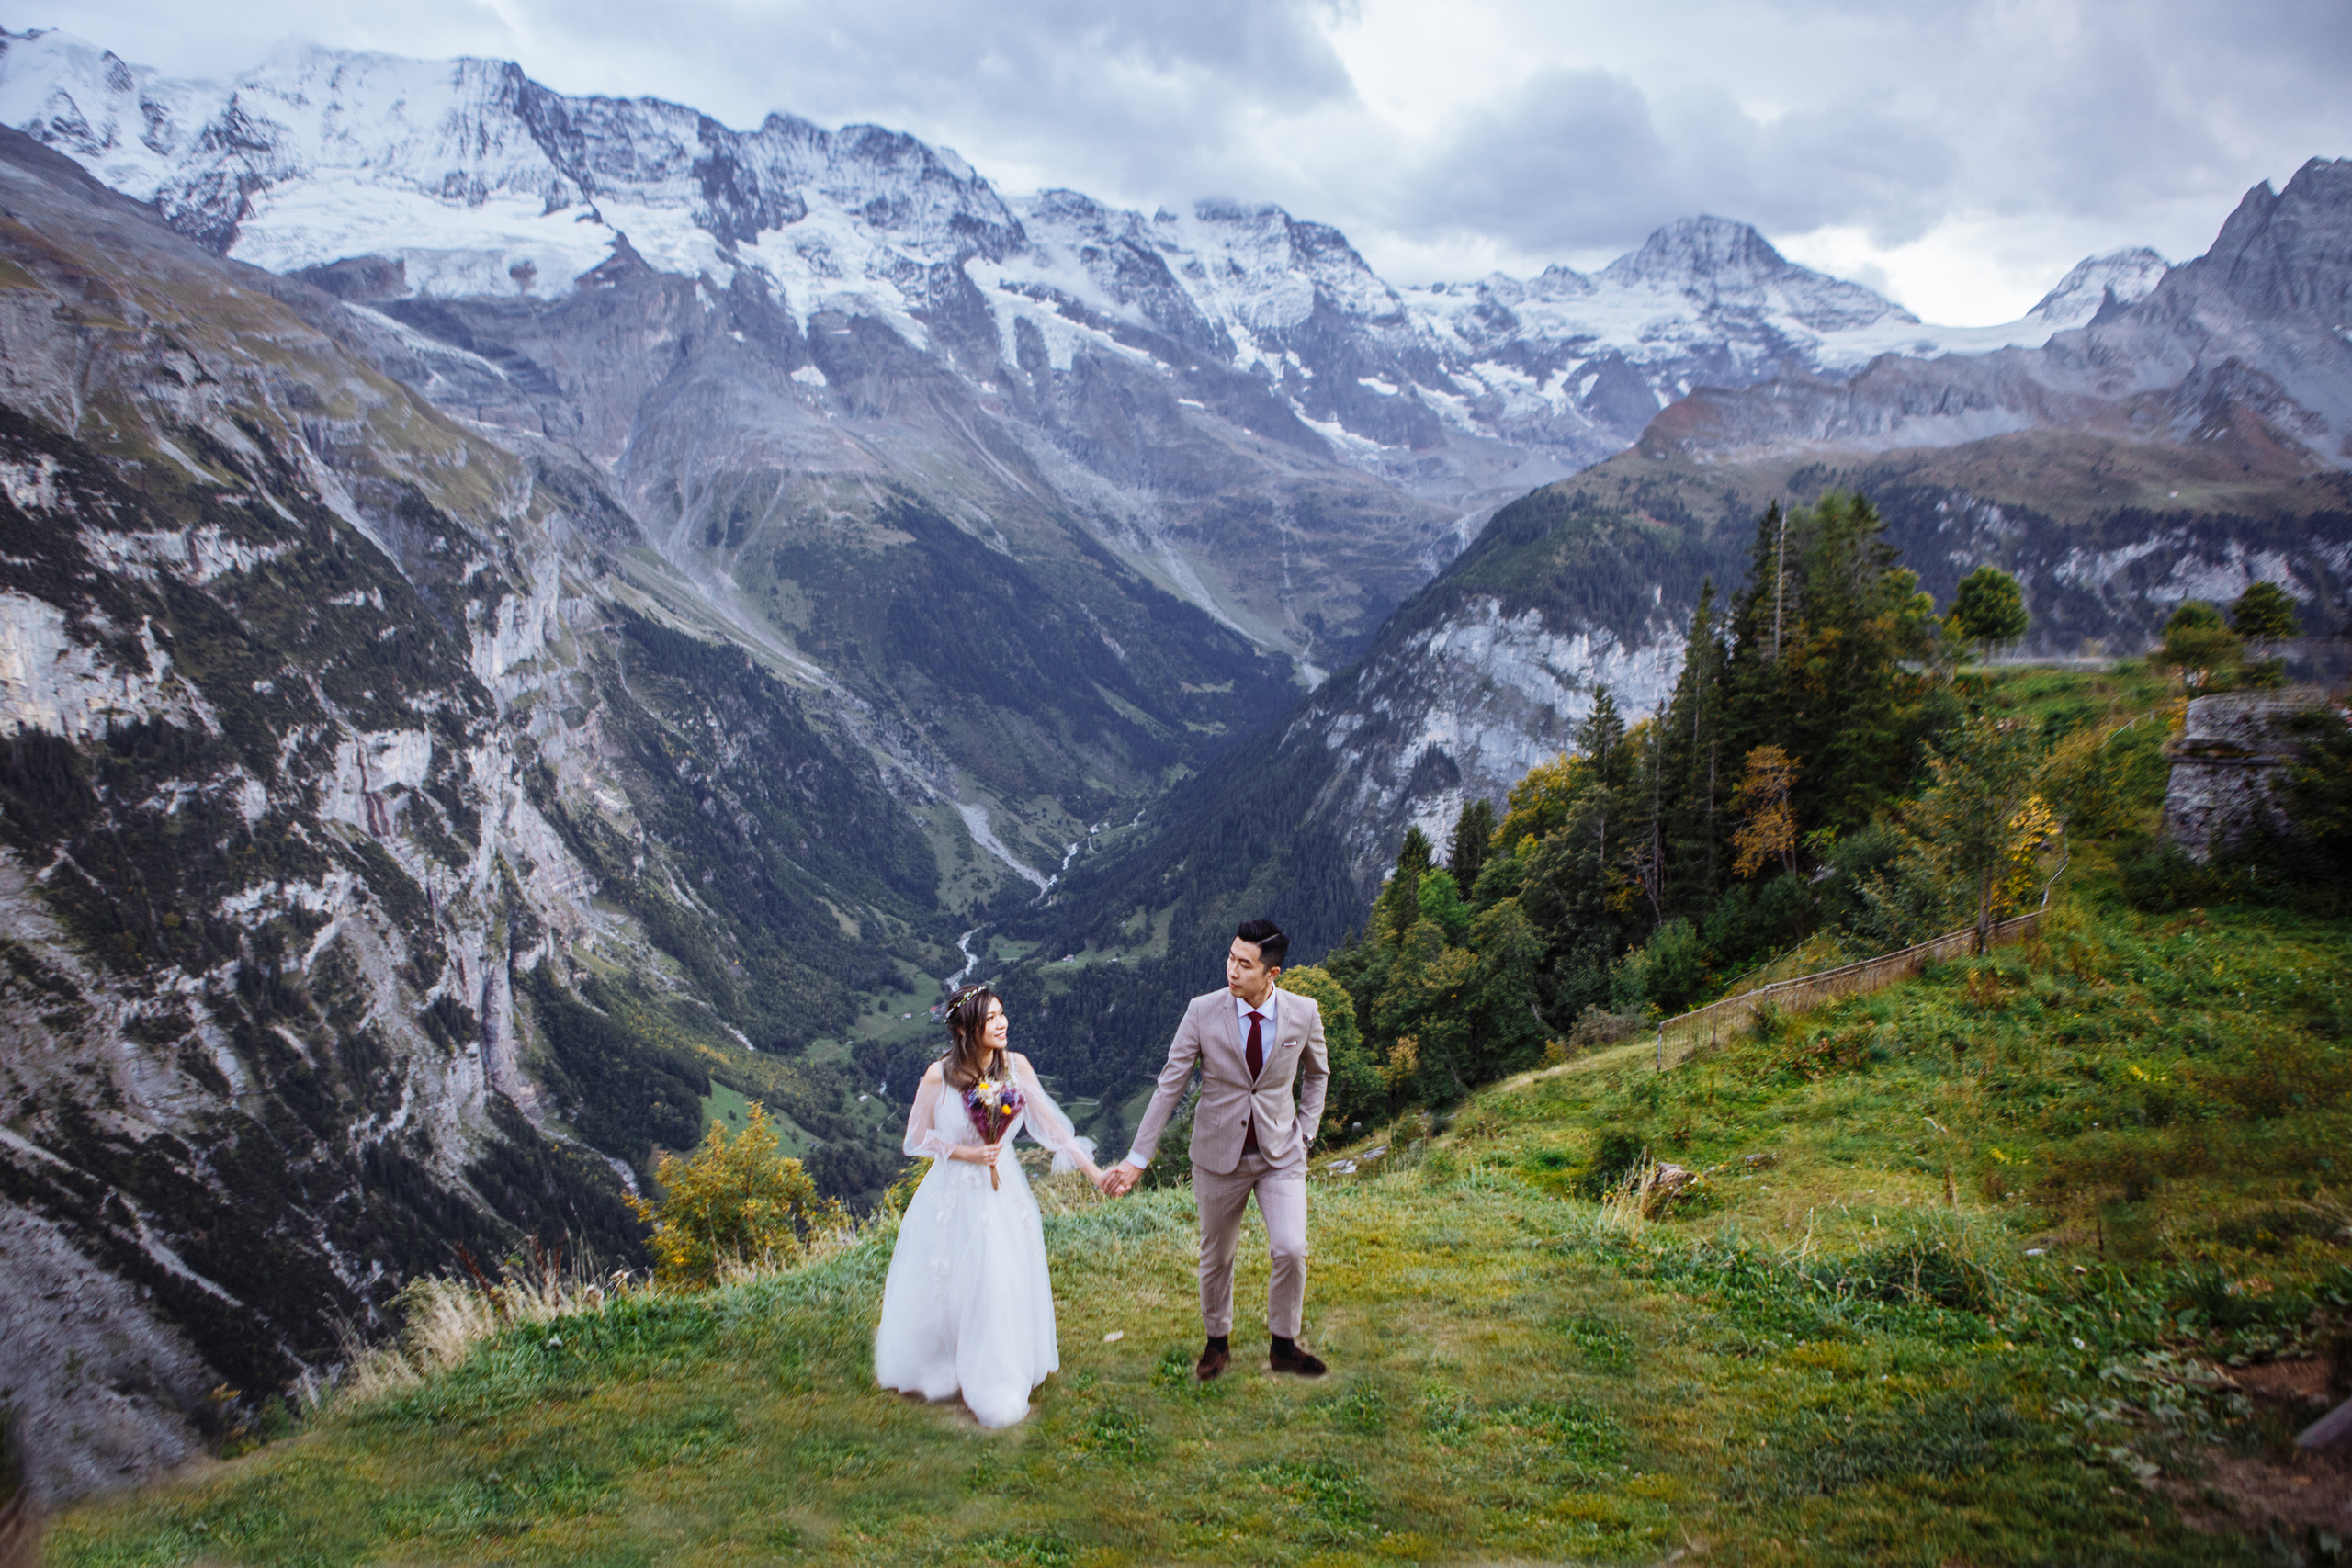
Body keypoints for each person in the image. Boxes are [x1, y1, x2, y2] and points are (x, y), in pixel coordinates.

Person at [1098, 919, 1329, 1381]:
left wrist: (1305, 1132)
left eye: (1245, 964)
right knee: (1217, 1256)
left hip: (1280, 1156)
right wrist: (1136, 1159)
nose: (1232, 970)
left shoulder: (1304, 1013)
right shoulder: (1202, 1011)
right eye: (1230, 957)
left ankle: (1284, 1345)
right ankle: (1216, 1343)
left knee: (1290, 1247)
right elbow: (1169, 1086)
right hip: (1217, 1157)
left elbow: (1317, 1074)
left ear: (1272, 974)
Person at [874, 984, 1102, 1427]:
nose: (1002, 1023)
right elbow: (914, 1140)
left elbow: (1052, 1129)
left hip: (1004, 1191)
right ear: (965, 1030)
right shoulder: (938, 1076)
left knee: (998, 1278)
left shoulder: (1016, 1067)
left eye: (1002, 1014)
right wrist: (968, 1154)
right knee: (954, 1279)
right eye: (990, 1018)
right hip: (953, 1192)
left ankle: (997, 1376)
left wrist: (1094, 1174)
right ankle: (942, 1362)